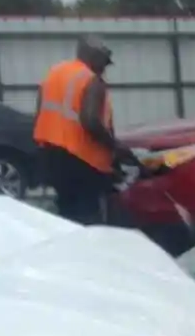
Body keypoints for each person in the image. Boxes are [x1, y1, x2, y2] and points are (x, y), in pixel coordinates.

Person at [33, 36, 135, 224]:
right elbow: (91, 121)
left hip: (50, 156)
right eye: (104, 62)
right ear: (92, 57)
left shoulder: (54, 73)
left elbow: (40, 112)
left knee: (66, 212)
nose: (105, 68)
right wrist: (115, 147)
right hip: (81, 160)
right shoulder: (91, 80)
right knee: (88, 215)